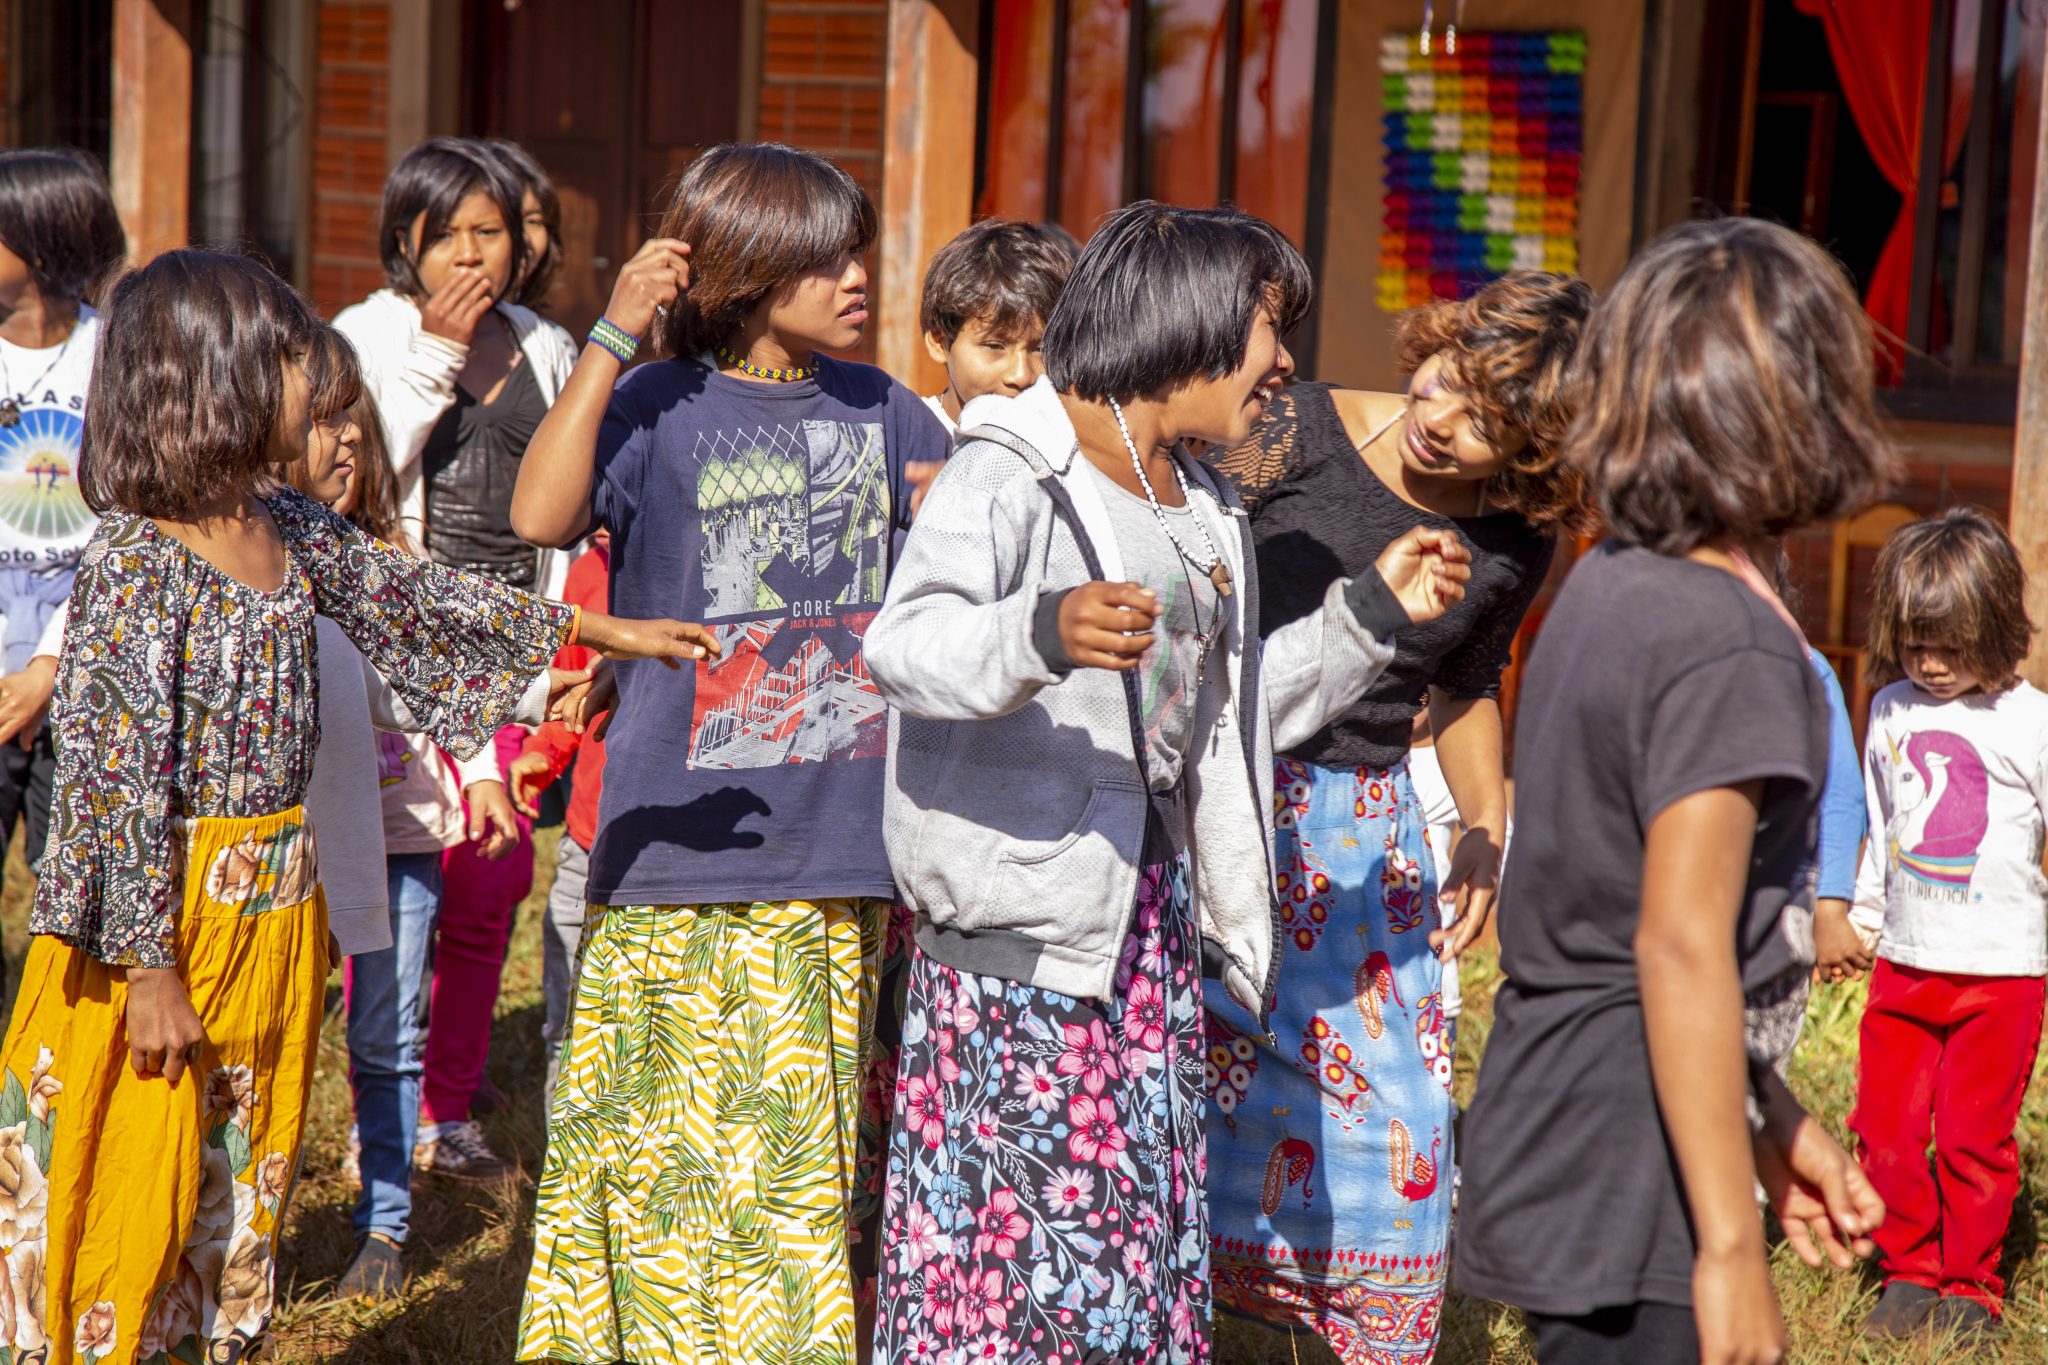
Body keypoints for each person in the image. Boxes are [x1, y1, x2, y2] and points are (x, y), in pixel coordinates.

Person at [0, 247, 711, 1365]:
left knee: (237, 1177)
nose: (317, 387)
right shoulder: (139, 559)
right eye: (289, 360)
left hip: (274, 916)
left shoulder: (284, 520)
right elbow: (112, 784)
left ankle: (217, 1340)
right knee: (129, 1174)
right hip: (159, 938)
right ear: (213, 380)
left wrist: (605, 633)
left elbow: (416, 597)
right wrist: (146, 971)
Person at [865, 200, 1472, 1365]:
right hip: (1021, 938)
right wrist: (1038, 630)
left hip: (1141, 933)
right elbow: (902, 648)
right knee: (1018, 1275)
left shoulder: (1204, 501)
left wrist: (1366, 619)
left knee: (1129, 1261)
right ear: (1186, 324)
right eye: (1265, 327)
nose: (1284, 362)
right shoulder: (1007, 471)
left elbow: (1227, 719)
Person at [507, 142, 951, 1365]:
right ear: (752, 269)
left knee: (791, 1173)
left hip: (834, 847)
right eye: (827, 254)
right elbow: (540, 518)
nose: (860, 275)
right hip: (676, 847)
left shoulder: (889, 412)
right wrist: (609, 335)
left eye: (858, 248)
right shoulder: (656, 405)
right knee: (653, 1161)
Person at [1454, 217, 1891, 1365]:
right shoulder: (1726, 640)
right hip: (1632, 1168)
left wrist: (1772, 1122)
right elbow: (1677, 946)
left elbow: (1615, 905)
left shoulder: (1608, 587)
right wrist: (1726, 1252)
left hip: (1560, 1122)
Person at [1201, 271, 1591, 1362]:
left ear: (1532, 456)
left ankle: (1366, 1325)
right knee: (1199, 1075)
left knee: (1398, 1113)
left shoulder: (1512, 541)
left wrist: (1479, 826)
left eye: (1480, 428)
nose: (1437, 422)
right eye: (1441, 384)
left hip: (1363, 835)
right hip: (1220, 800)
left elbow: (1466, 683)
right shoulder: (1285, 429)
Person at [334, 135, 579, 1178]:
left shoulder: (546, 343)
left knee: (488, 887)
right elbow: (344, 485)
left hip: (516, 654)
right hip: (399, 668)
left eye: (497, 232)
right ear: (407, 241)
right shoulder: (363, 337)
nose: (480, 255)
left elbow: (568, 512)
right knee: (388, 904)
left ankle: (450, 1109)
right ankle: (377, 1122)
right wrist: (434, 354)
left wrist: (568, 632)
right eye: (453, 236)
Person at [1816, 508, 2047, 1345]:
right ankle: (1909, 1269)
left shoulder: (2033, 723)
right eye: (1916, 644)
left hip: (2002, 975)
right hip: (1906, 966)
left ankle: (1971, 1284)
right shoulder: (1888, 710)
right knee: (1883, 1129)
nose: (1933, 664)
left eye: (1951, 645)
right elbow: (1886, 825)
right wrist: (1862, 918)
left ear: (1995, 627)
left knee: (1972, 1137)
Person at [0, 149, 126, 924]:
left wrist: (52, 663)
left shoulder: (113, 358)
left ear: (42, 244)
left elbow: (128, 529)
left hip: (85, 667)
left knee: (72, 894)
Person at [506, 531, 611, 1106]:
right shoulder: (586, 573)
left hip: (674, 858)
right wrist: (541, 755)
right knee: (568, 1028)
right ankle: (562, 1185)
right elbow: (569, 695)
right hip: (587, 843)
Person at [918, 217, 1077, 432]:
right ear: (939, 342)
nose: (1021, 376)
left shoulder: (1069, 447)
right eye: (994, 346)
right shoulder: (906, 443)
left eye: (1041, 349)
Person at [484, 137, 565, 312]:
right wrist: (617, 327)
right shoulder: (412, 324)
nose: (523, 237)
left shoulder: (549, 336)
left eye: (533, 221)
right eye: (490, 229)